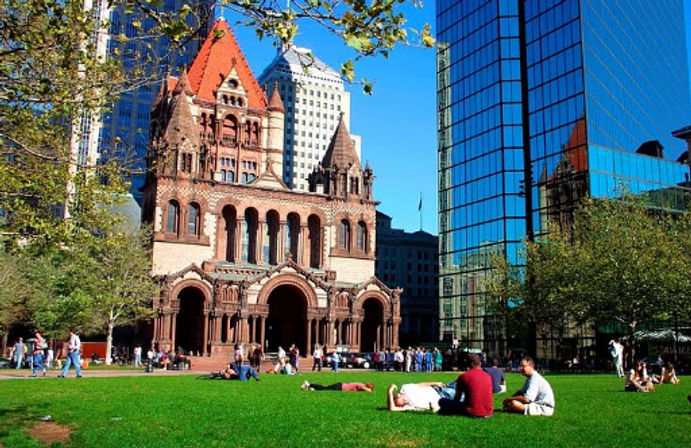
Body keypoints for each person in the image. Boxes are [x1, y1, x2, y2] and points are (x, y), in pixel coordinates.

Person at [302, 380, 373, 392]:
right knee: (325, 388)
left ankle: (310, 388)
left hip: (341, 385)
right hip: (340, 387)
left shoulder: (361, 384)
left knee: (325, 388)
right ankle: (309, 384)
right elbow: (368, 391)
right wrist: (370, 389)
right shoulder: (361, 385)